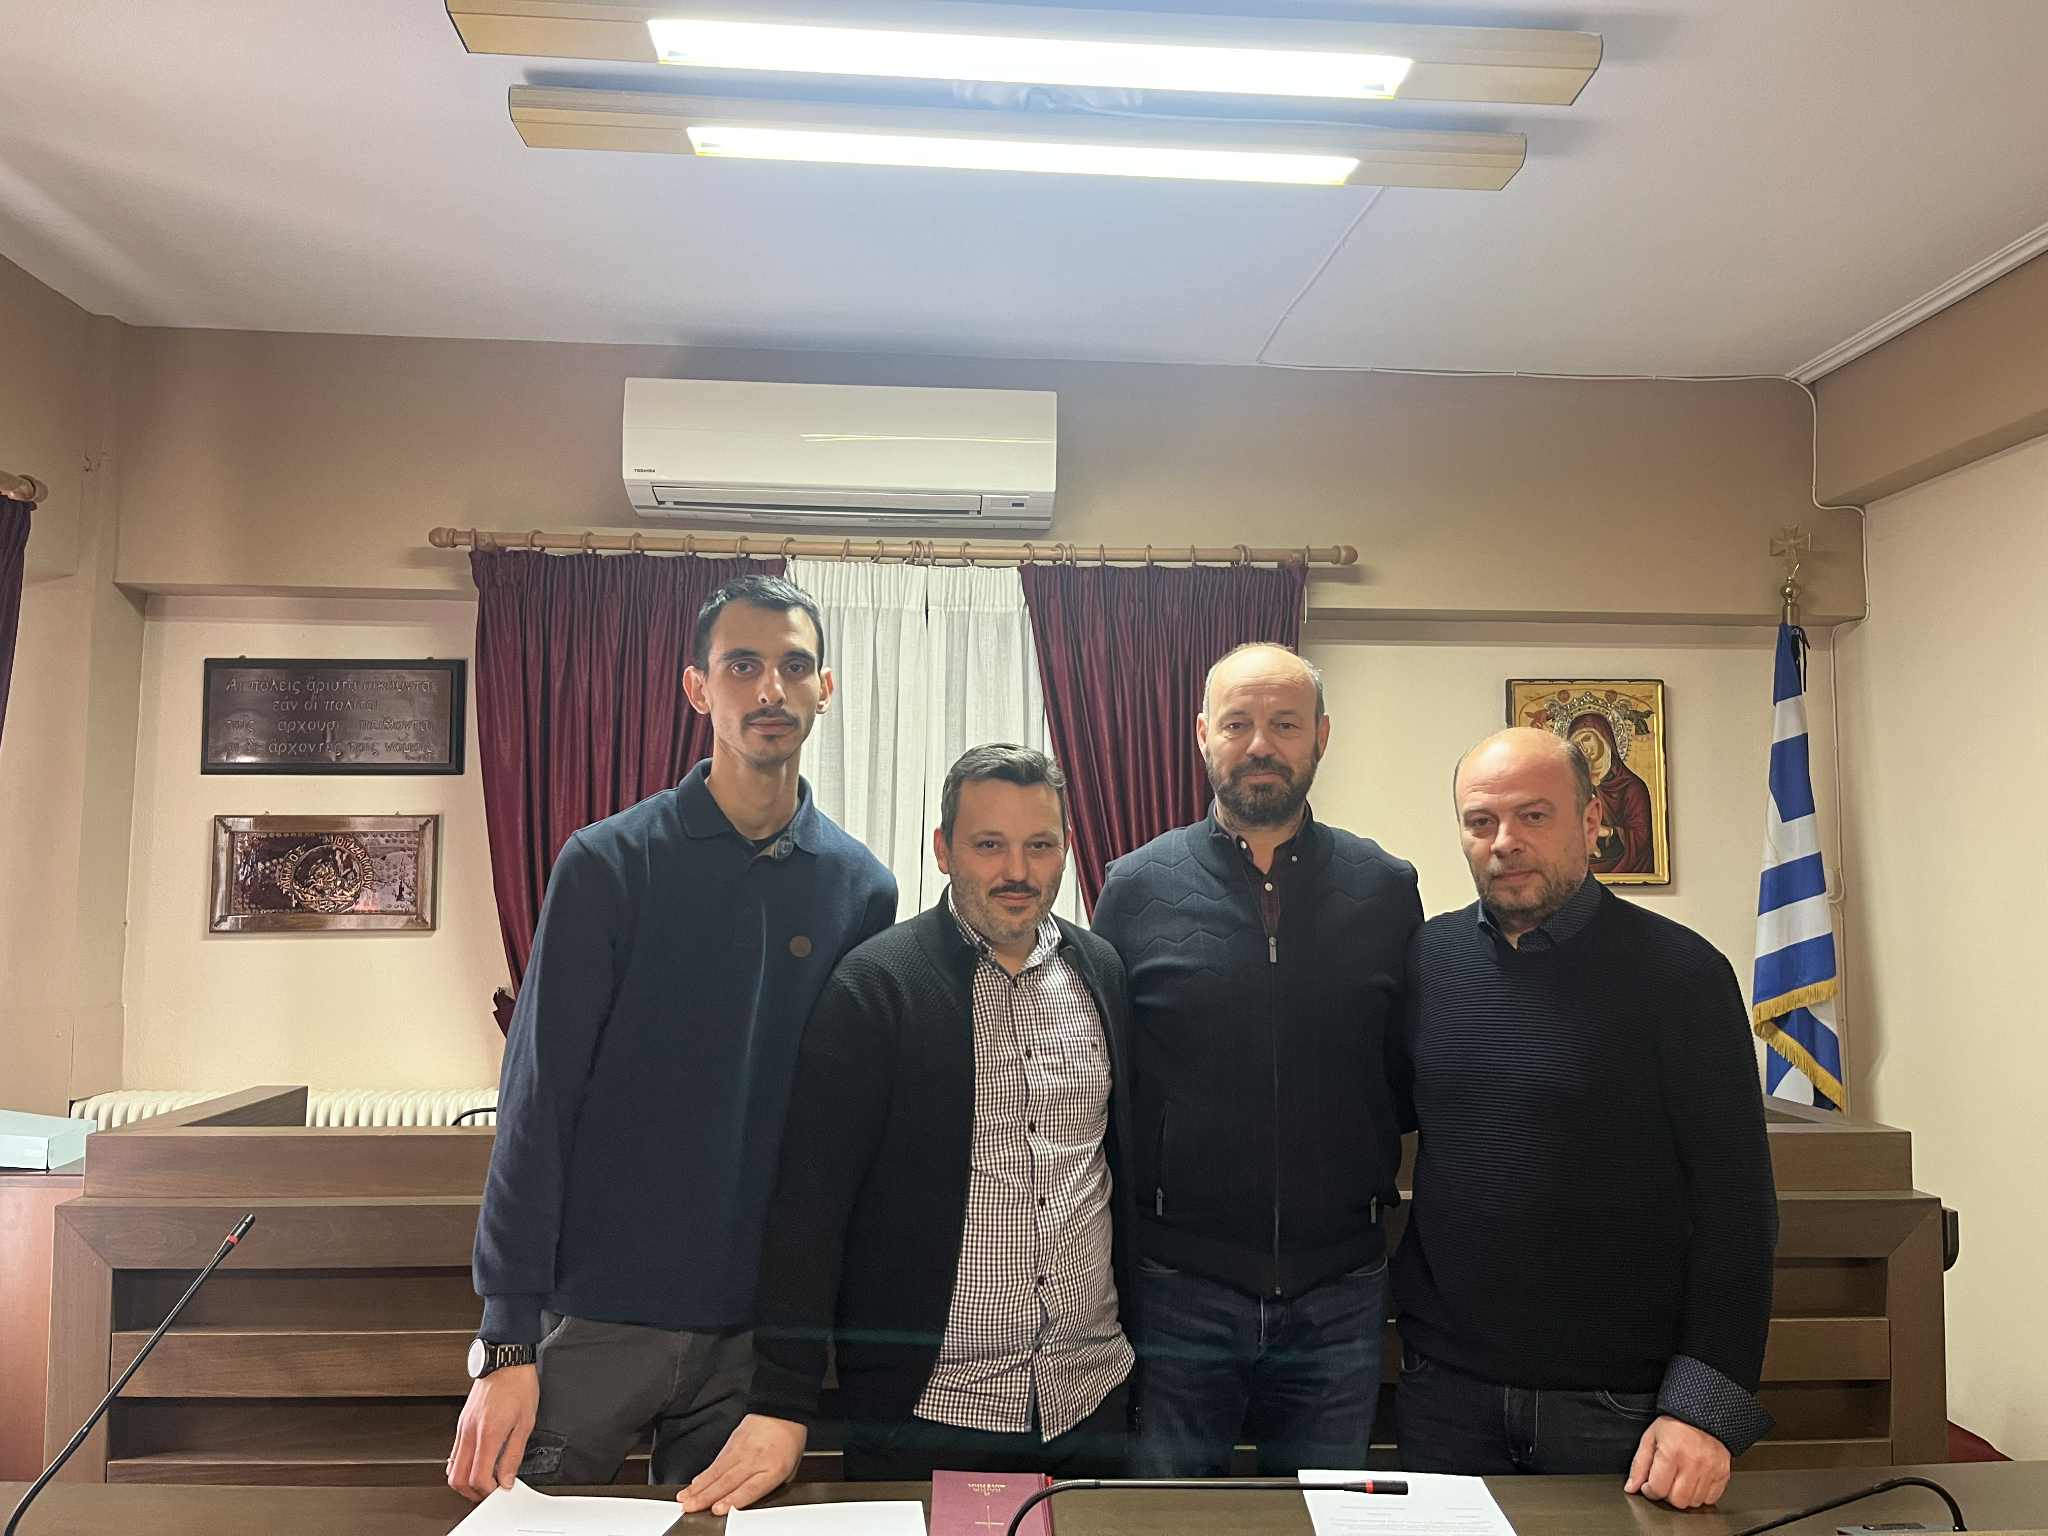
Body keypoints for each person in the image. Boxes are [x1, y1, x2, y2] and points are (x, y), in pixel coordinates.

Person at [447, 574, 897, 1499]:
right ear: (698, 688)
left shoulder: (862, 889)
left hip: (755, 1339)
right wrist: (506, 1337)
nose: (770, 689)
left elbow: (840, 1133)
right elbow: (537, 1103)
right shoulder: (606, 863)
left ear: (825, 689)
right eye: (742, 665)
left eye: (794, 666)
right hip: (593, 1317)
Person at [678, 745, 1136, 1516]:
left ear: (1068, 848)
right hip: (930, 1413)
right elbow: (809, 1208)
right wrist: (783, 1398)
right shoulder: (874, 988)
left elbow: (1114, 1170)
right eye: (989, 844)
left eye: (1040, 844)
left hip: (1090, 1401)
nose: (1017, 870)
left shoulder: (1102, 973)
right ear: (943, 849)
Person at [1393, 726, 1777, 1510]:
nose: (1505, 841)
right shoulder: (1427, 962)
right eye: (1480, 821)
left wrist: (1702, 1409)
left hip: (1622, 1408)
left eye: (1533, 816)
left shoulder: (1683, 976)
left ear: (1594, 819)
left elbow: (1738, 1205)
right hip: (1446, 1396)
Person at [1090, 643, 1422, 1478]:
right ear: (1203, 735)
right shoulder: (1135, 886)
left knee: (1326, 1517)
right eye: (1238, 724)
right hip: (1180, 1287)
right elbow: (1112, 1074)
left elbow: (1403, 1071)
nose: (1260, 745)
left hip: (1342, 1288)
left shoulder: (1386, 889)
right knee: (1166, 1524)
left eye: (1284, 724)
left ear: (1322, 737)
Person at [1565, 711, 1655, 875]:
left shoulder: (1632, 787)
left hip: (1623, 862)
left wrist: (1607, 831)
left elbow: (1641, 837)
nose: (1583, 747)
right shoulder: (1573, 787)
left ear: (1603, 738)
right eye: (1577, 744)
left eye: (1587, 739)